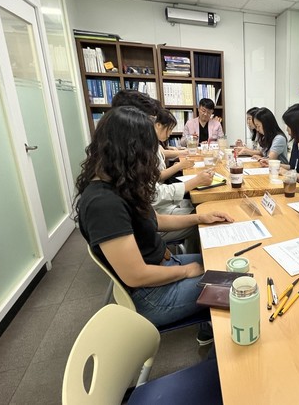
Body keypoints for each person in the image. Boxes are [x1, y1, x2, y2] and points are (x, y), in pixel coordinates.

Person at [74, 106, 234, 340]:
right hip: (152, 296)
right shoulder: (103, 204)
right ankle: (217, 351)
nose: (152, 157)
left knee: (226, 263)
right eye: (148, 150)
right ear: (130, 151)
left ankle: (210, 322)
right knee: (237, 284)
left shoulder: (119, 183)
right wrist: (185, 271)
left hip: (165, 266)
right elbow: (136, 276)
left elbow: (154, 220)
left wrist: (199, 217)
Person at [112, 90, 213, 248]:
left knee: (201, 212)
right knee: (203, 221)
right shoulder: (129, 159)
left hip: (153, 218)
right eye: (152, 121)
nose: (152, 127)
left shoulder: (127, 152)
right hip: (151, 226)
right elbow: (154, 196)